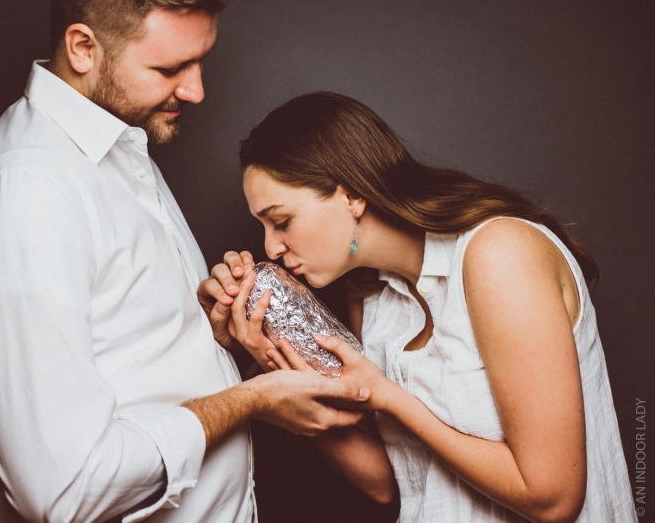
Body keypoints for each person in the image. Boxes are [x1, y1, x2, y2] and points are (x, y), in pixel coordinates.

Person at [0, 0, 372, 523]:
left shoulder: (119, 142)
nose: (196, 92)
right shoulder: (26, 191)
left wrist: (217, 335)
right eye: (169, 69)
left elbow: (141, 361)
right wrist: (253, 400)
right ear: (82, 48)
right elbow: (65, 491)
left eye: (200, 61)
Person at [200, 92, 637, 522]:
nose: (270, 247)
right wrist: (279, 366)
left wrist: (389, 398)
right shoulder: (372, 297)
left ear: (351, 195)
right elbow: (385, 484)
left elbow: (553, 499)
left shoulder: (499, 253)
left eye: (281, 221)